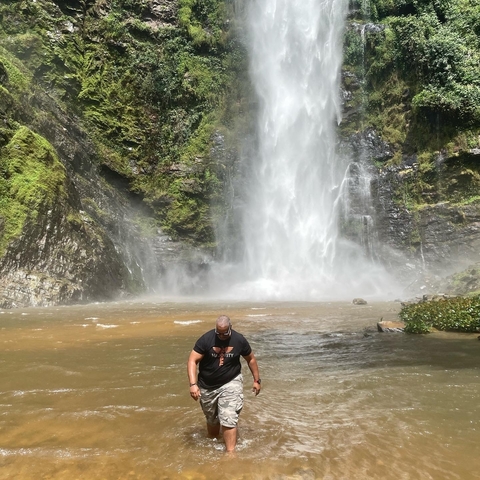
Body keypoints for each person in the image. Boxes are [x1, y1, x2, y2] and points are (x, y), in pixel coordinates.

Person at [187, 314, 261, 453]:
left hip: (230, 382)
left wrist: (257, 380)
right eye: (218, 333)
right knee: (212, 419)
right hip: (207, 385)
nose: (221, 336)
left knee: (228, 416)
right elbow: (192, 360)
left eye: (224, 333)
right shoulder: (206, 339)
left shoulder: (239, 340)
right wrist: (193, 384)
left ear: (230, 328)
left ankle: (230, 454)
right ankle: (212, 441)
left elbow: (250, 359)